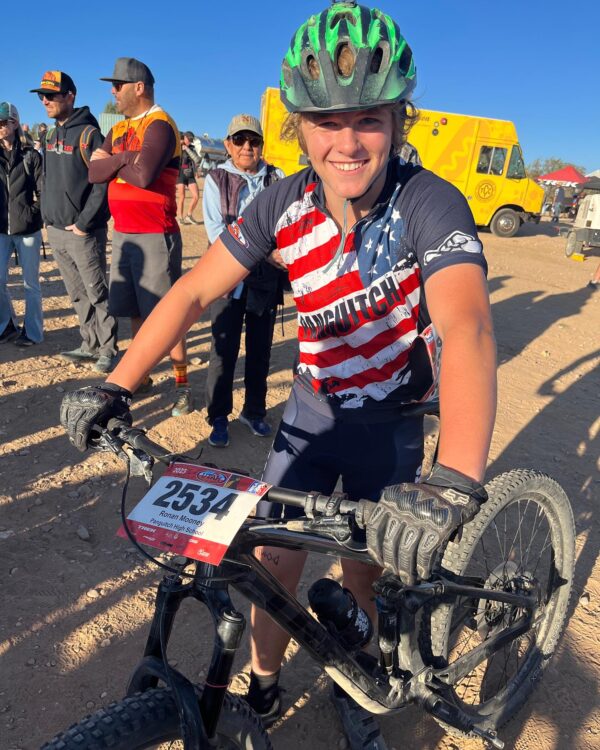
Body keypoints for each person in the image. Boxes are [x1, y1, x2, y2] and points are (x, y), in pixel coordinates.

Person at [60, 4, 497, 747]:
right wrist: (116, 387)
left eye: (370, 119)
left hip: (389, 419)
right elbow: (197, 290)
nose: (348, 142)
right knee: (272, 558)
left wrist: (453, 478)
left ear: (399, 120)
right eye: (327, 122)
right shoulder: (282, 202)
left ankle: (360, 688)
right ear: (300, 126)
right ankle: (264, 683)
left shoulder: (429, 201)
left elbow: (468, 326)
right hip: (310, 412)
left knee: (364, 574)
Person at [89, 57, 193, 417]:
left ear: (140, 87)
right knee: (132, 309)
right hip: (125, 234)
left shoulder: (160, 124)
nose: (112, 92)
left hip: (154, 234)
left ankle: (182, 383)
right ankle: (143, 374)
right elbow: (93, 171)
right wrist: (124, 159)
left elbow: (146, 174)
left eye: (118, 85)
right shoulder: (118, 129)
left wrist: (115, 161)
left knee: (166, 315)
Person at [202, 114, 286, 447]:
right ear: (228, 145)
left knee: (260, 351)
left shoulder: (277, 178)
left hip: (264, 282)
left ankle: (254, 411)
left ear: (261, 145)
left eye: (253, 141)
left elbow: (286, 224)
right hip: (226, 278)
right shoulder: (216, 179)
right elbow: (217, 232)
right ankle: (218, 416)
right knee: (223, 350)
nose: (247, 147)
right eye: (239, 140)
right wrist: (265, 253)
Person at [30, 70, 117, 373]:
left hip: (84, 232)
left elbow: (102, 183)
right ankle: (89, 343)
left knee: (97, 292)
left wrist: (83, 223)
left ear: (70, 96)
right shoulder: (50, 133)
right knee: (77, 293)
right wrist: (47, 216)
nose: (45, 101)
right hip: (55, 229)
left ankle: (107, 348)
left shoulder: (89, 134)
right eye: (42, 96)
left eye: (51, 95)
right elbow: (46, 179)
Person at [0, 102, 44, 347]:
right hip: (0, 230)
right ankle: (6, 326)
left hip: (27, 230)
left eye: (3, 122)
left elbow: (43, 191)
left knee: (31, 284)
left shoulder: (30, 155)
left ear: (14, 123)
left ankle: (33, 332)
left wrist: (32, 214)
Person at [177, 131, 201, 225]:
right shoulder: (178, 147)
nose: (190, 142)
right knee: (182, 196)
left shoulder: (191, 148)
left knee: (196, 196)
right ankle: (180, 218)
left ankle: (189, 215)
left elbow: (197, 159)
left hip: (190, 174)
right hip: (180, 173)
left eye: (191, 140)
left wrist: (187, 148)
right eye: (188, 140)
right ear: (184, 137)